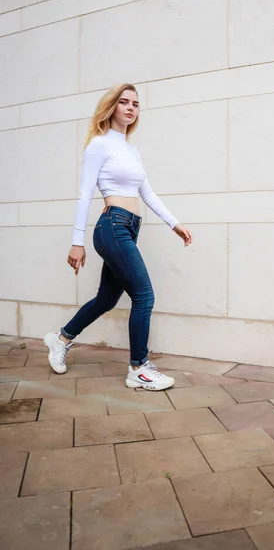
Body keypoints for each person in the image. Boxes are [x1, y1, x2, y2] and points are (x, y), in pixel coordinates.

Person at [44, 83, 192, 391]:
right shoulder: (98, 144)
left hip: (128, 228)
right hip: (112, 226)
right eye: (124, 102)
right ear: (111, 106)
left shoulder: (130, 148)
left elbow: (146, 192)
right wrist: (76, 241)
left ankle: (61, 339)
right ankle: (138, 368)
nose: (130, 107)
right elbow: (85, 194)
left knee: (107, 299)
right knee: (144, 296)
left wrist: (174, 223)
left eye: (135, 104)